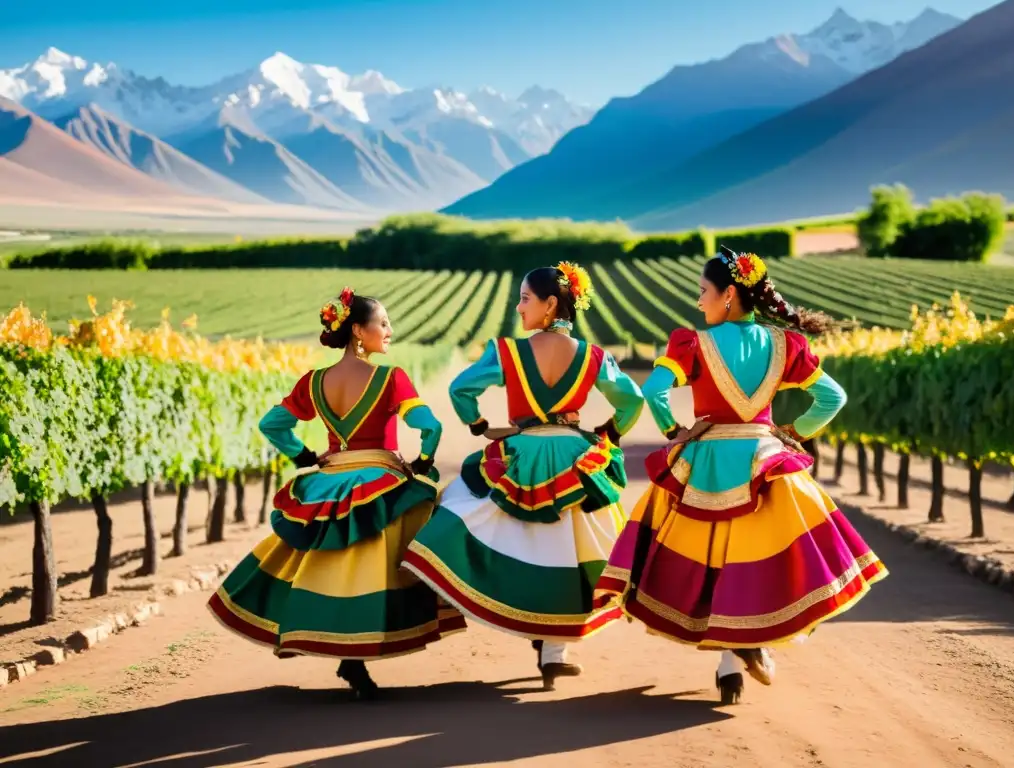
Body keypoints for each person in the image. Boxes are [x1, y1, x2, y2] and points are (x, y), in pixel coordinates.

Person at [594, 251, 888, 705]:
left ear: (728, 294)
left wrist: (676, 431)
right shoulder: (786, 345)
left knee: (707, 562)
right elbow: (832, 397)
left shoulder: (691, 344)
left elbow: (653, 392)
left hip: (706, 460)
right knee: (756, 562)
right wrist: (791, 433)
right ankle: (737, 658)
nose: (698, 301)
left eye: (703, 291)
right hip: (766, 461)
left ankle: (733, 662)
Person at [209, 287, 465, 701]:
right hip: (380, 479)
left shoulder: (313, 382)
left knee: (330, 565)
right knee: (399, 554)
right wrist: (421, 462)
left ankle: (346, 653)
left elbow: (272, 425)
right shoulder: (390, 378)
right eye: (383, 323)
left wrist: (304, 455)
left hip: (329, 480)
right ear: (359, 332)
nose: (390, 330)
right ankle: (360, 650)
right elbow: (430, 426)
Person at [401, 263, 645, 690]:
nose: (518, 307)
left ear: (551, 305)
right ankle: (554, 652)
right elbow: (632, 400)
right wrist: (608, 432)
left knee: (480, 520)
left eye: (525, 298)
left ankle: (519, 620)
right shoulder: (594, 356)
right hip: (575, 455)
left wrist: (479, 426)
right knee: (567, 550)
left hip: (521, 450)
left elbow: (462, 389)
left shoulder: (507, 352)